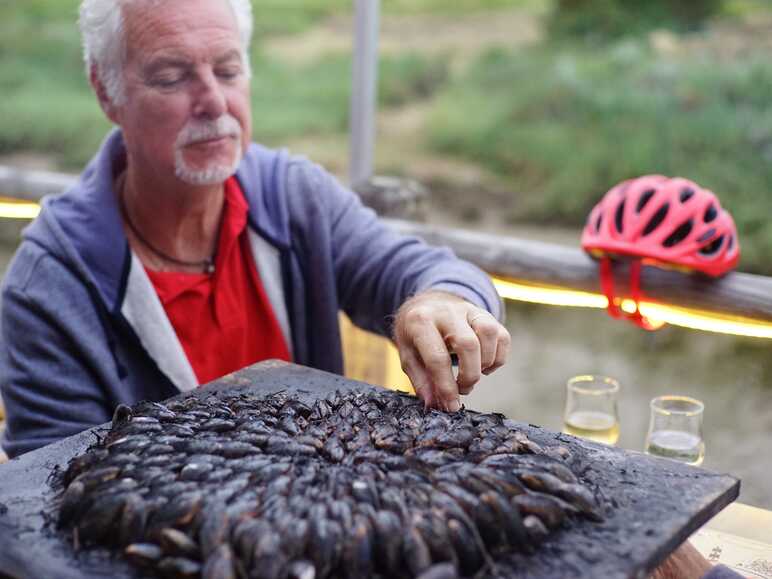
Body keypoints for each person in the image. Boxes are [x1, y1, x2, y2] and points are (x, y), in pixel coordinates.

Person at [0, 0, 510, 458]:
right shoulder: (47, 289)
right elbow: (54, 500)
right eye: (172, 76)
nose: (215, 103)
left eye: (227, 70)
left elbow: (425, 270)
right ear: (105, 92)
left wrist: (440, 301)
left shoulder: (293, 197)